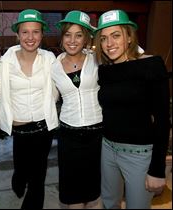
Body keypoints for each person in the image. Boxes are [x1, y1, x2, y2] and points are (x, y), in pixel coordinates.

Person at [93, 9, 170, 209]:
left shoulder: (151, 65)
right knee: (110, 203)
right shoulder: (105, 70)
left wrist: (157, 170)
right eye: (104, 38)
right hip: (108, 149)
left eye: (116, 35)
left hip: (139, 155)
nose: (109, 44)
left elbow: (163, 120)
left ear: (129, 37)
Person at [0, 9, 59, 209]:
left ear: (42, 34)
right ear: (18, 34)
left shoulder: (49, 58)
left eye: (35, 32)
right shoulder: (6, 61)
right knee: (22, 167)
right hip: (20, 128)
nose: (30, 37)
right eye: (25, 32)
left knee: (38, 176)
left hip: (43, 127)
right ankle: (18, 177)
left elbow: (61, 81)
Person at [52, 10, 103, 209]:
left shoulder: (97, 58)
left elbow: (131, 53)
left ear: (86, 38)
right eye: (68, 34)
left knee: (94, 193)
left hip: (97, 134)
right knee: (73, 193)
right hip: (68, 135)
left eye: (78, 35)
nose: (72, 40)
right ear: (62, 37)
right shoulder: (53, 65)